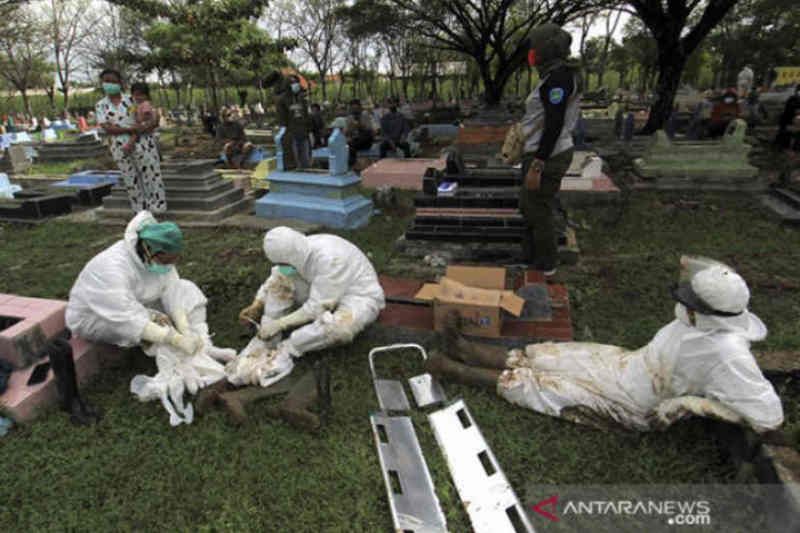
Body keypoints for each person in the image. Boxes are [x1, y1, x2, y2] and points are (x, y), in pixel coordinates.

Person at [427, 256, 784, 434]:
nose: (684, 306)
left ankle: (455, 369)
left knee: (547, 388)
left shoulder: (729, 356)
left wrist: (691, 404)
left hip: (635, 404)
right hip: (629, 366)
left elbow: (769, 418)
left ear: (707, 313)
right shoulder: (694, 320)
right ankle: (466, 349)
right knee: (549, 355)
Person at [66, 211, 236, 424]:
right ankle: (181, 363)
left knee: (186, 288)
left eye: (174, 260)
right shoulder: (111, 268)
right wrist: (174, 338)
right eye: (166, 260)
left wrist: (184, 328)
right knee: (154, 330)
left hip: (138, 302)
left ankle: (204, 345)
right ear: (149, 250)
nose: (169, 265)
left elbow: (172, 288)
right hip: (97, 316)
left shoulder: (157, 256)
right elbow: (126, 317)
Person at [227, 227, 386, 388]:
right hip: (320, 289)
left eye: (283, 263)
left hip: (358, 295)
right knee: (281, 282)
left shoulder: (330, 259)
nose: (281, 266)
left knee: (340, 328)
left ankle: (288, 349)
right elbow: (275, 277)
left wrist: (280, 324)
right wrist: (258, 303)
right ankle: (268, 339)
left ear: (293, 256)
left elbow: (316, 307)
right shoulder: (296, 253)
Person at [518, 23, 582, 276]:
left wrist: (537, 164)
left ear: (546, 49)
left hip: (548, 154)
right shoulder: (554, 75)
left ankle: (545, 265)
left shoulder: (559, 78)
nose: (531, 53)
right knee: (530, 206)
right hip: (542, 151)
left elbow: (554, 124)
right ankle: (531, 258)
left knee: (538, 209)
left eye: (534, 48)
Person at [95, 69, 166, 214]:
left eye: (113, 81)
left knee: (151, 174)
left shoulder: (133, 98)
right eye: (106, 81)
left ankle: (158, 208)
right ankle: (140, 211)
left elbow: (152, 118)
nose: (109, 84)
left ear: (120, 83)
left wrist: (144, 127)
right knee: (130, 178)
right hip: (120, 146)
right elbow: (107, 128)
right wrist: (130, 130)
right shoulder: (101, 105)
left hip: (143, 142)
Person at [276, 75, 311, 169]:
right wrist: (284, 131)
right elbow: (281, 118)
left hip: (303, 132)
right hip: (291, 133)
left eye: (296, 82)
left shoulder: (301, 99)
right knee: (294, 160)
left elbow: (306, 115)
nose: (295, 85)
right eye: (292, 83)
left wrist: (309, 130)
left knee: (305, 160)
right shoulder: (282, 100)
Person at [122, 82, 158, 155]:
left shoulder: (145, 103)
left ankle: (129, 145)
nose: (138, 97)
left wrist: (140, 121)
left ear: (147, 96)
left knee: (135, 133)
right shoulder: (138, 104)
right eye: (136, 95)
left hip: (146, 122)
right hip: (144, 123)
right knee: (136, 132)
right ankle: (129, 145)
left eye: (141, 95)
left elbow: (146, 114)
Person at [344, 99, 375, 167]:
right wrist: (350, 128)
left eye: (356, 108)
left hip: (365, 141)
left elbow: (370, 130)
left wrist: (359, 125)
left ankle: (352, 164)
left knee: (354, 144)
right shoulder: (349, 118)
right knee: (350, 145)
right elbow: (346, 132)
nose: (354, 110)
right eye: (353, 108)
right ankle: (352, 164)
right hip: (354, 140)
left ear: (359, 107)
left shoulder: (365, 115)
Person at [776, 85, 800, 150]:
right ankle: (781, 145)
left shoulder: (792, 98)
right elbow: (793, 110)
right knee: (785, 133)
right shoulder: (793, 99)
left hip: (789, 119)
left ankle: (781, 145)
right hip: (788, 119)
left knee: (785, 133)